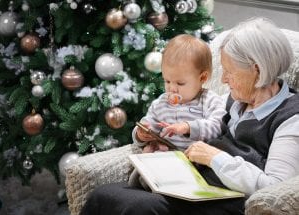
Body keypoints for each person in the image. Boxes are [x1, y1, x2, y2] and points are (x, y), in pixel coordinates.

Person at [80, 17, 299, 215]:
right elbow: (193, 128)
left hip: (224, 203)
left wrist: (214, 157)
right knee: (103, 195)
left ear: (257, 71)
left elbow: (275, 189)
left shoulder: (291, 118)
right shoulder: (234, 101)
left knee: (138, 208)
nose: (223, 81)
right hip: (194, 188)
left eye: (230, 72)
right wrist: (158, 139)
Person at [128, 34, 226, 188]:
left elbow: (218, 126)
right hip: (165, 158)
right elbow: (147, 123)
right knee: (148, 162)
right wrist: (141, 133)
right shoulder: (161, 103)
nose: (172, 88)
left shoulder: (209, 100)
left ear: (202, 78)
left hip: (196, 164)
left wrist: (187, 127)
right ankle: (142, 183)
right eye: (167, 81)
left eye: (180, 83)